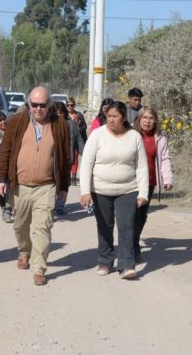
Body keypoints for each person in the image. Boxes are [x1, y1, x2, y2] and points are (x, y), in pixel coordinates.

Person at [0, 86, 71, 286]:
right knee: (20, 226)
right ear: (29, 104)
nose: (38, 109)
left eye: (43, 105)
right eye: (34, 105)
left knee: (42, 227)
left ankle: (39, 268)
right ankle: (24, 252)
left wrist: (64, 186)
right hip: (20, 186)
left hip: (46, 187)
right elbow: (5, 152)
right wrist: (1, 178)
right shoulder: (16, 122)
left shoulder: (60, 124)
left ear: (50, 105)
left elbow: (65, 156)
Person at [79, 101, 149, 279]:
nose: (111, 120)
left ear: (123, 117)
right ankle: (105, 261)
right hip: (100, 189)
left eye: (115, 116)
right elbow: (86, 164)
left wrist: (143, 193)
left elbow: (141, 167)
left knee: (127, 227)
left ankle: (126, 265)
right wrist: (85, 192)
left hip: (128, 189)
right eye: (109, 116)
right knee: (105, 226)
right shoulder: (97, 135)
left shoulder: (134, 137)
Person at [132, 106, 173, 262]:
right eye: (144, 118)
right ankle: (133, 246)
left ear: (155, 120)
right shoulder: (131, 135)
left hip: (149, 182)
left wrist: (168, 179)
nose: (148, 121)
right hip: (131, 182)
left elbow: (164, 160)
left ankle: (134, 241)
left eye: (151, 118)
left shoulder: (160, 138)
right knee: (132, 215)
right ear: (138, 119)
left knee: (141, 216)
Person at [54, 101, 84, 215]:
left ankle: (60, 205)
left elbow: (79, 140)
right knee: (53, 182)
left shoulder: (71, 124)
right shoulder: (49, 124)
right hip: (53, 160)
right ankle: (52, 203)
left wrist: (84, 154)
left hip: (67, 159)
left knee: (64, 183)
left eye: (60, 113)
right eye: (56, 114)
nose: (58, 116)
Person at [66, 97, 87, 186]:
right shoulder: (64, 115)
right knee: (67, 158)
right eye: (68, 105)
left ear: (74, 105)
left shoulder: (79, 115)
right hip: (67, 140)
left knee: (75, 158)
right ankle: (67, 176)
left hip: (77, 139)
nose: (69, 107)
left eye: (71, 105)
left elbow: (85, 126)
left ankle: (73, 177)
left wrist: (79, 128)